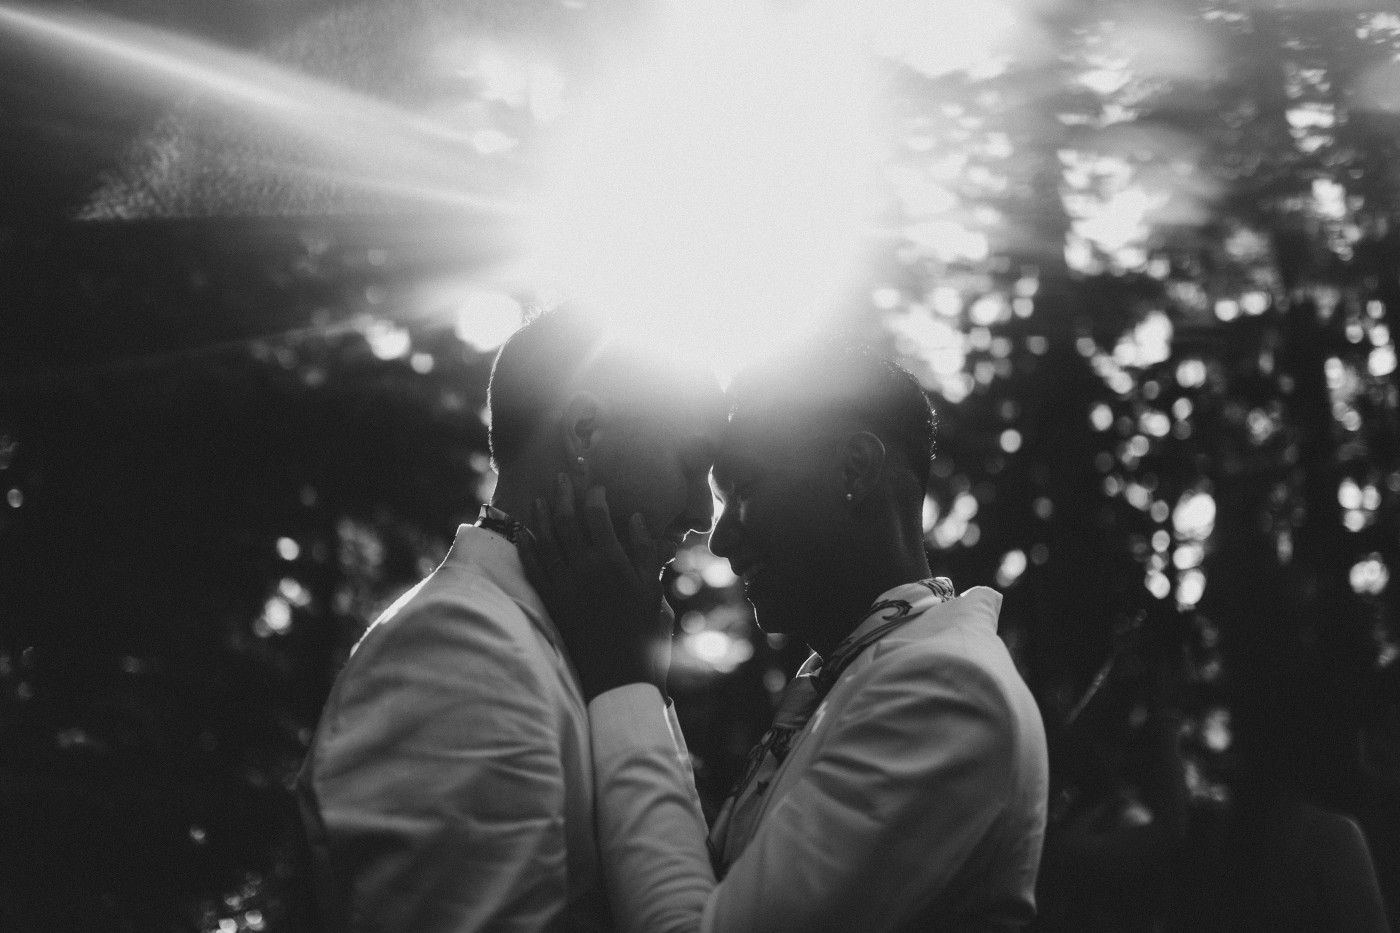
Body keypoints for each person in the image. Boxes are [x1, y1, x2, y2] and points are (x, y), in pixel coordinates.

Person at [522, 338, 1051, 933]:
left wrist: (623, 681)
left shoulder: (946, 691)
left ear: (856, 468)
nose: (719, 541)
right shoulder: (858, 671)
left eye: (743, 489)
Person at [295, 306, 725, 933]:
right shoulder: (461, 647)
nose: (702, 515)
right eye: (691, 464)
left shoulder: (587, 643)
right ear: (583, 432)